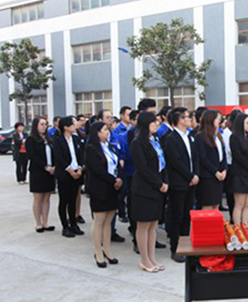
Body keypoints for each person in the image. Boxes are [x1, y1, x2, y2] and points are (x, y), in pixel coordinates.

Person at [130, 112, 169, 272]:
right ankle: (144, 260)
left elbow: (161, 163)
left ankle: (152, 257)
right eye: (154, 122)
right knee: (144, 224)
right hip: (144, 188)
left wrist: (164, 181)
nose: (157, 125)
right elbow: (143, 168)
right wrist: (158, 183)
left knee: (153, 225)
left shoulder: (155, 141)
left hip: (158, 186)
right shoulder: (137, 143)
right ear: (146, 124)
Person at [85, 122, 123, 268]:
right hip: (100, 188)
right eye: (105, 130)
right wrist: (114, 180)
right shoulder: (91, 148)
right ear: (97, 133)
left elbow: (118, 164)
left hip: (113, 188)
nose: (108, 132)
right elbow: (97, 170)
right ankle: (98, 252)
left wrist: (119, 178)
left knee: (109, 220)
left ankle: (107, 250)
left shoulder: (110, 146)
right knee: (99, 220)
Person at [164, 107, 200, 263]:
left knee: (187, 215)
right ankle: (175, 247)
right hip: (178, 182)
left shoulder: (190, 136)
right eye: (187, 117)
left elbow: (195, 158)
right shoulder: (171, 138)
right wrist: (190, 175)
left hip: (191, 182)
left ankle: (186, 245)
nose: (190, 119)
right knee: (176, 215)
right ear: (180, 120)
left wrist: (196, 174)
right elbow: (175, 162)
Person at [53, 116, 84, 238]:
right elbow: (59, 158)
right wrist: (70, 170)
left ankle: (73, 224)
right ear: (65, 126)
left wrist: (80, 168)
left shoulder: (75, 139)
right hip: (65, 174)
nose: (75, 125)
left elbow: (80, 155)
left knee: (73, 200)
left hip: (76, 173)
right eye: (73, 123)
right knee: (64, 201)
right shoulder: (58, 140)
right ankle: (65, 226)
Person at [25, 117, 56, 233]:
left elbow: (54, 154)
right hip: (38, 171)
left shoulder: (49, 139)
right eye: (42, 124)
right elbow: (32, 156)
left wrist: (53, 167)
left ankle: (45, 222)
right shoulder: (31, 139)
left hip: (50, 172)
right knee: (38, 198)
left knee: (47, 198)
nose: (44, 126)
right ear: (35, 126)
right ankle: (38, 223)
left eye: (45, 124)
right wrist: (45, 166)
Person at [230, 113, 248, 225]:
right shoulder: (234, 137)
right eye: (247, 123)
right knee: (239, 203)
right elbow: (237, 156)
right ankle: (237, 227)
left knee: (247, 203)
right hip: (240, 173)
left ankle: (245, 224)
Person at [195, 110, 227, 210]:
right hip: (208, 176)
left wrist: (224, 169)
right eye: (217, 118)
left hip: (219, 174)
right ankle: (206, 226)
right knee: (208, 204)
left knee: (216, 204)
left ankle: (215, 225)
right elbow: (203, 157)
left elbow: (223, 154)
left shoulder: (217, 135)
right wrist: (215, 172)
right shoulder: (201, 136)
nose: (219, 120)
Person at [221, 110, 240, 222]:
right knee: (231, 193)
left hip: (237, 164)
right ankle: (233, 216)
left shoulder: (237, 131)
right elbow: (229, 150)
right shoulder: (227, 132)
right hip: (231, 164)